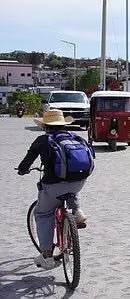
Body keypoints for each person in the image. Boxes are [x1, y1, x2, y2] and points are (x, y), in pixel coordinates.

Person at [16, 109, 88, 270]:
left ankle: (47, 256)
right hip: (79, 182)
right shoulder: (75, 138)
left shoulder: (42, 140)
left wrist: (22, 170)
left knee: (42, 214)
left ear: (45, 126)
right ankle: (77, 212)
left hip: (53, 186)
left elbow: (26, 162)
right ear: (63, 124)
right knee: (71, 188)